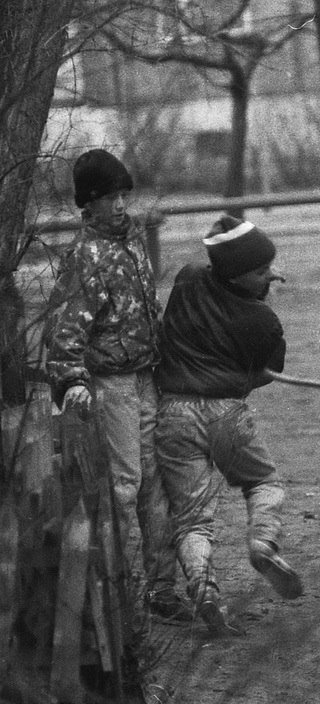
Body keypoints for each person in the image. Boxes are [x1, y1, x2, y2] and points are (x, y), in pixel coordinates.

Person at [45, 148, 189, 622]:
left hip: (146, 378)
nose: (120, 206)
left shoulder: (130, 245)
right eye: (109, 198)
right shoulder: (85, 257)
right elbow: (65, 333)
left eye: (124, 195)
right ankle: (113, 594)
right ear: (89, 204)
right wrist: (71, 383)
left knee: (156, 485)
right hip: (113, 386)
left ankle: (161, 589)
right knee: (125, 487)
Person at [155, 215, 303, 636]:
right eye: (261, 272)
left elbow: (209, 276)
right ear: (238, 277)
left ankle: (203, 590)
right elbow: (262, 375)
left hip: (173, 413)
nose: (270, 276)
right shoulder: (263, 321)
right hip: (226, 414)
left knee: (192, 520)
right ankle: (262, 543)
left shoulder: (187, 278)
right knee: (265, 484)